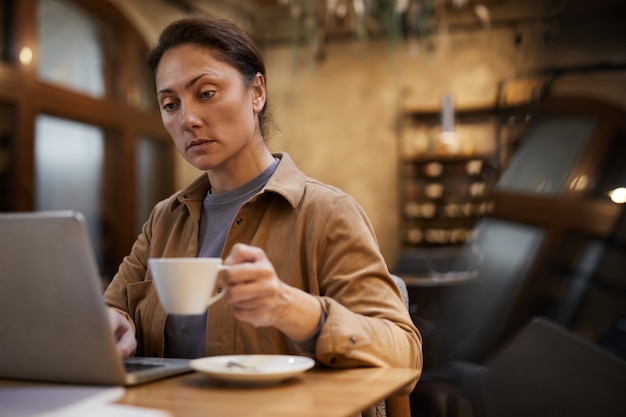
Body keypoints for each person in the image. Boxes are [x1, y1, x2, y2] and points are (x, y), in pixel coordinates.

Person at [104, 14, 421, 379]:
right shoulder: (164, 220)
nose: (187, 118)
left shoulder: (327, 213)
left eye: (206, 93)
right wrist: (113, 325)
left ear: (256, 92)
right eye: (170, 104)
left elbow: (405, 352)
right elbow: (111, 310)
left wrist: (293, 310)